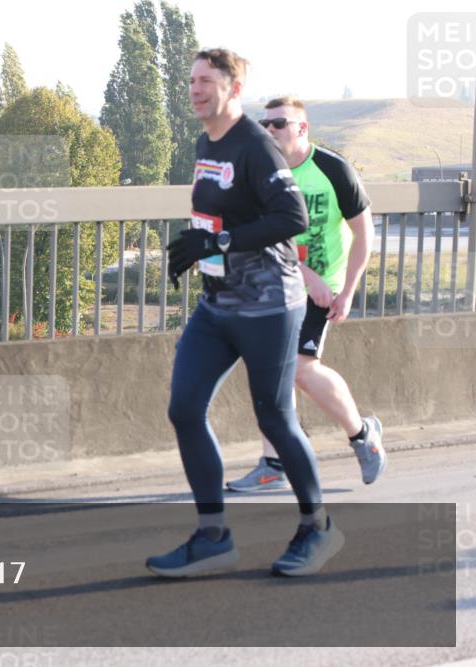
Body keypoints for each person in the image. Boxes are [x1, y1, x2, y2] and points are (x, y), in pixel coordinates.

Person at [146, 49, 342, 578]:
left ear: (233, 89)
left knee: (274, 417)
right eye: (190, 80)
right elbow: (216, 209)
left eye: (206, 81)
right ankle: (213, 536)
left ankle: (317, 527)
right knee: (184, 408)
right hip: (218, 304)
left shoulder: (255, 144)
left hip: (269, 306)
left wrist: (222, 239)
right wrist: (201, 249)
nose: (194, 89)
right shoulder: (205, 140)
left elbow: (292, 216)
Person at [227, 97, 387, 493]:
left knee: (298, 367)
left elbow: (364, 234)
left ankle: (361, 433)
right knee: (268, 371)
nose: (269, 130)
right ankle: (273, 463)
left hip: (321, 289)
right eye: (264, 123)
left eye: (279, 123)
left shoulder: (333, 170)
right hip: (273, 281)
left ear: (302, 129)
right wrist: (304, 273)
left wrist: (346, 290)